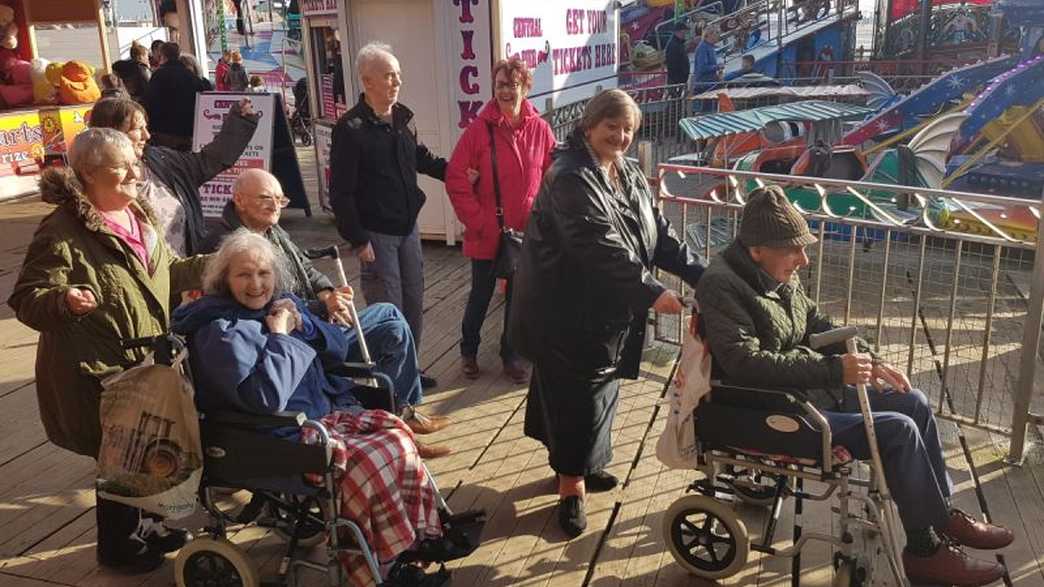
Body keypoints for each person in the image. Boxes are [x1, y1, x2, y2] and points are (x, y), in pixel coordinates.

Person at [694, 185, 1013, 587]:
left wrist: (869, 358)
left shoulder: (773, 274)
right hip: (772, 408)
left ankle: (942, 514)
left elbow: (817, 323)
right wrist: (834, 370)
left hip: (805, 391)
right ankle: (924, 550)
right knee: (898, 430)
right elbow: (743, 363)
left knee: (911, 400)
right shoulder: (721, 284)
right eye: (794, 250)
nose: (804, 259)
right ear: (757, 249)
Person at [171, 230, 447, 587]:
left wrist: (304, 324)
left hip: (322, 414)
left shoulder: (281, 304)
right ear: (225, 280)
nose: (256, 284)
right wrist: (281, 338)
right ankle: (383, 567)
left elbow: (335, 349)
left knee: (396, 437)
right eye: (244, 275)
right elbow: (264, 399)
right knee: (371, 460)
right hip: (274, 433)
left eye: (264, 273)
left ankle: (414, 539)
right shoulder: (220, 331)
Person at [8, 128, 207, 573]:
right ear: (88, 174)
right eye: (121, 171)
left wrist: (214, 267)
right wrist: (64, 299)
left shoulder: (138, 213)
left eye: (134, 165)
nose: (135, 175)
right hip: (96, 367)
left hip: (144, 360)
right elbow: (26, 297)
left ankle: (151, 527)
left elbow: (165, 272)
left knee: (146, 446)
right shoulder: (62, 229)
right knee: (117, 454)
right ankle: (118, 545)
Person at [509, 89, 704, 538]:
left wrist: (700, 273)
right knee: (576, 395)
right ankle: (570, 485)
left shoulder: (629, 172)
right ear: (589, 127)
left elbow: (659, 234)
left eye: (627, 129)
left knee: (601, 389)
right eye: (610, 126)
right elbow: (597, 244)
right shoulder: (569, 176)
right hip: (564, 309)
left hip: (605, 308)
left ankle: (586, 463)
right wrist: (652, 291)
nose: (619, 136)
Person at [201, 169, 452, 446]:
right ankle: (401, 416)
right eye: (265, 198)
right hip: (294, 339)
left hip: (311, 322)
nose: (274, 206)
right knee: (391, 325)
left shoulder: (273, 230)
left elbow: (308, 270)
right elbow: (259, 307)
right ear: (239, 199)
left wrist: (328, 294)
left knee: (389, 315)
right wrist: (319, 309)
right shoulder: (229, 246)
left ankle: (402, 413)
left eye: (280, 199)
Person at [330, 42, 447, 390]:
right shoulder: (350, 130)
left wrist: (456, 172)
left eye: (398, 74)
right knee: (388, 308)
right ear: (367, 82)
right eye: (389, 75)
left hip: (407, 227)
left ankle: (409, 371)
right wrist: (358, 238)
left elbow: (420, 158)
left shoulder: (401, 119)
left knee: (413, 299)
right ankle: (390, 383)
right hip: (375, 234)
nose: (397, 81)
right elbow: (341, 193)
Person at [445, 58, 556, 384]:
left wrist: (545, 220)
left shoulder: (541, 129)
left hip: (525, 234)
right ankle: (469, 350)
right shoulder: (478, 130)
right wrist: (478, 221)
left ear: (525, 87)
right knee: (480, 295)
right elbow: (456, 179)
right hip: (487, 232)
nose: (506, 91)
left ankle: (511, 354)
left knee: (517, 298)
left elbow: (553, 176)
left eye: (512, 84)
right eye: (500, 85)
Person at [89, 96, 258, 256]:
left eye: (146, 127)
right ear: (111, 132)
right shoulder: (91, 185)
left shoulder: (162, 160)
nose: (146, 136)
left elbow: (208, 161)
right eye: (137, 129)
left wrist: (239, 122)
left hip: (184, 275)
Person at [145, 42, 210, 151]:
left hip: (164, 132)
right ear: (178, 54)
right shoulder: (192, 77)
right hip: (189, 132)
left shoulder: (158, 76)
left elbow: (150, 102)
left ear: (162, 55)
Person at [693, 27, 722, 108]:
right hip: (704, 85)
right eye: (716, 33)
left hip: (710, 84)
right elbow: (702, 68)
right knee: (708, 110)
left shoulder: (710, 47)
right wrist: (717, 67)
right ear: (709, 35)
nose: (718, 36)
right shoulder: (703, 47)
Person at [664, 21, 691, 86]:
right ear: (678, 32)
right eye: (684, 32)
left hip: (680, 79)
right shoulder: (674, 45)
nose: (685, 34)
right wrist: (681, 78)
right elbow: (672, 65)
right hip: (677, 81)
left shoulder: (678, 43)